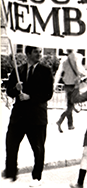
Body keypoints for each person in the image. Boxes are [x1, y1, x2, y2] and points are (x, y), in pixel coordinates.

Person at [3, 46, 54, 187]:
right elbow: (9, 91)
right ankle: (11, 172)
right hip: (18, 116)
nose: (39, 54)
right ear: (28, 54)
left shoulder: (45, 71)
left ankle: (37, 177)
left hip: (37, 117)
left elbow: (48, 94)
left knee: (38, 148)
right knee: (11, 144)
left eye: (40, 52)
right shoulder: (18, 70)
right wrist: (15, 89)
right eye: (36, 52)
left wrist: (30, 97)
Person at [54, 49, 87, 133]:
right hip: (74, 85)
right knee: (71, 106)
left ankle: (70, 125)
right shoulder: (77, 57)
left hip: (66, 85)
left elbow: (59, 72)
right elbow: (79, 69)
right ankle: (60, 120)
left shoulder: (64, 59)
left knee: (70, 104)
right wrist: (86, 74)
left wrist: (55, 83)